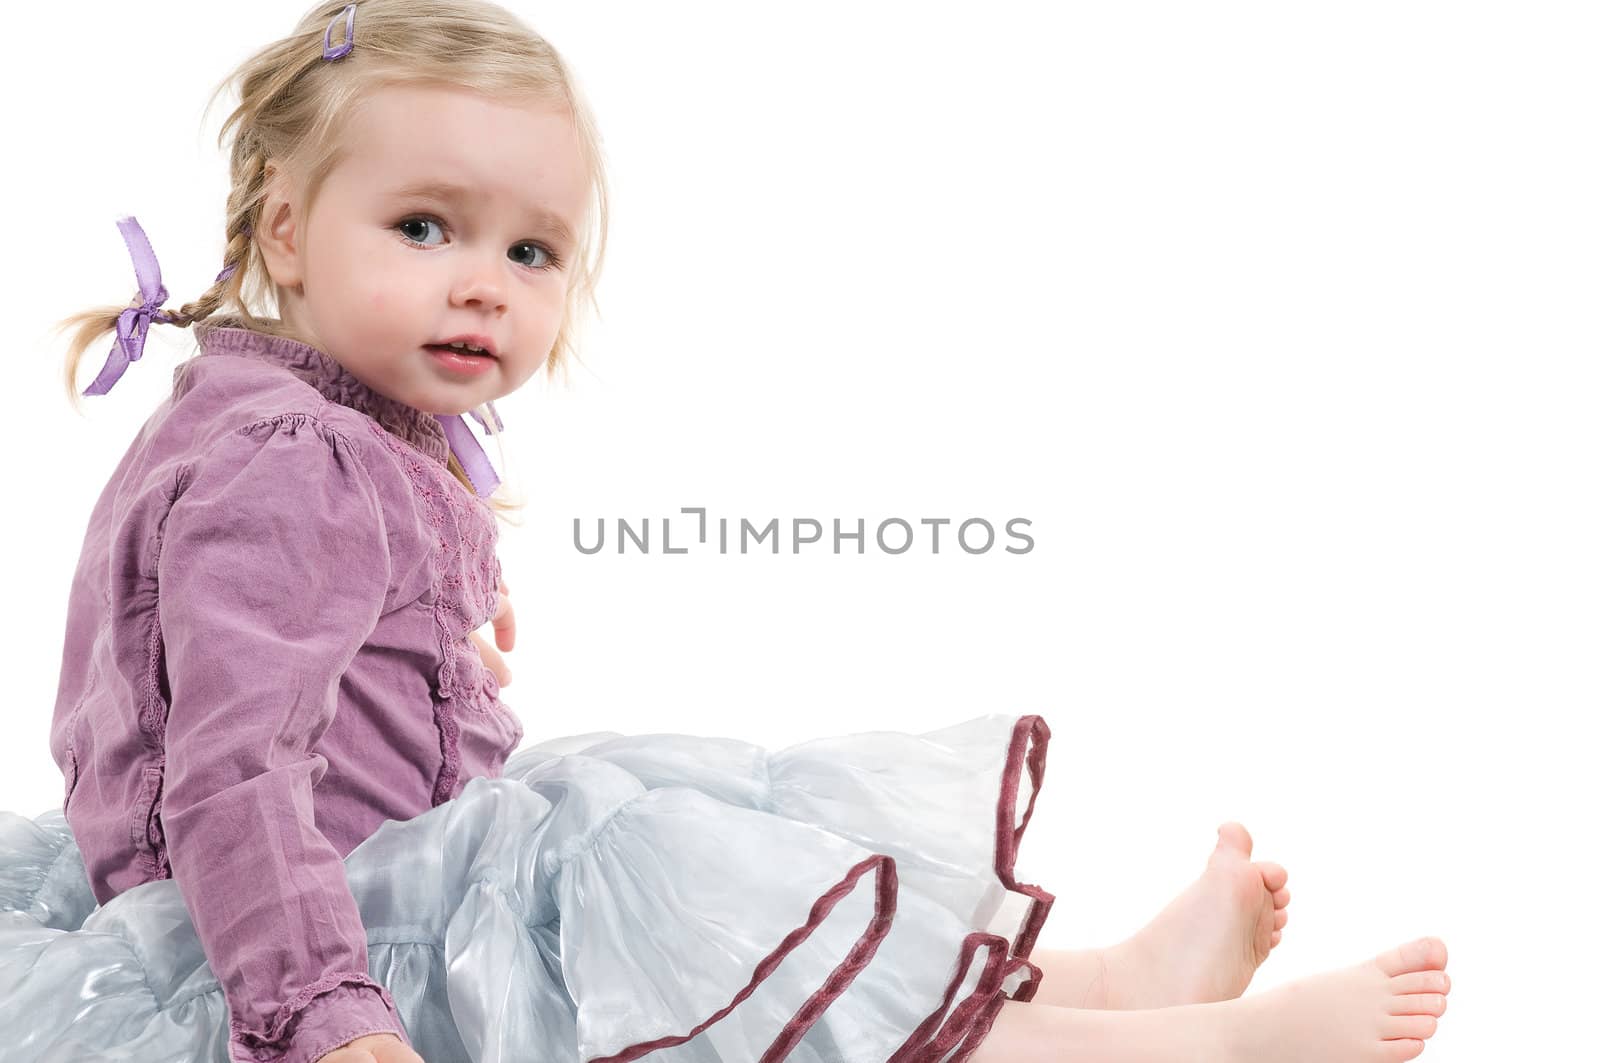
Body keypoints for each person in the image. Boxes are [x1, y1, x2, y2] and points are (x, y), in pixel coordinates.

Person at [0, 2, 1451, 1061]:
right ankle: (1176, 1054)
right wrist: (328, 1019)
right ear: (286, 227)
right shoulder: (285, 463)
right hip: (299, 941)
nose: (486, 286)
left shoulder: (327, 422)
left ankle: (1088, 988)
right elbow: (234, 768)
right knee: (651, 878)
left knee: (661, 844)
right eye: (426, 227)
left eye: (531, 251)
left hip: (390, 868)